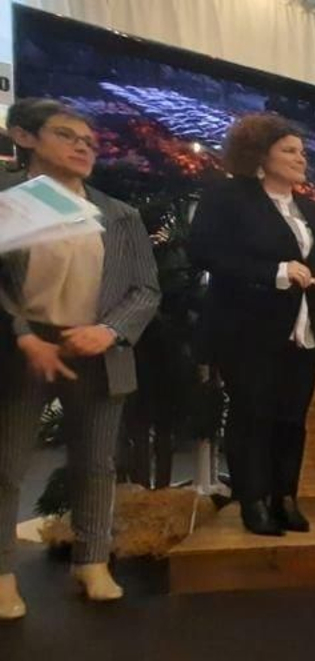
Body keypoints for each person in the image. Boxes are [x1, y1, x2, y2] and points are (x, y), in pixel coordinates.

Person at [0, 99, 158, 617]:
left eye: (89, 141)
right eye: (66, 136)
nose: (82, 147)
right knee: (8, 464)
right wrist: (23, 333)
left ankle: (92, 561)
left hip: (96, 345)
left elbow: (144, 289)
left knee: (96, 463)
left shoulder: (119, 214)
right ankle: (2, 574)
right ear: (25, 137)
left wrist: (110, 331)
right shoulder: (8, 200)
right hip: (22, 348)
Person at [190, 113, 315, 536]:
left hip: (305, 330)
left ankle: (285, 497)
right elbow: (203, 253)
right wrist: (274, 271)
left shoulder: (313, 209)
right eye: (289, 150)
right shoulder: (228, 196)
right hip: (247, 331)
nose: (300, 159)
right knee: (251, 416)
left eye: (302, 152)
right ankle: (252, 500)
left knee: (292, 419)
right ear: (260, 154)